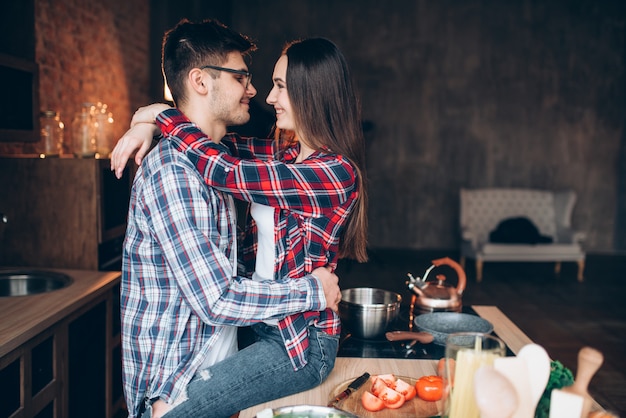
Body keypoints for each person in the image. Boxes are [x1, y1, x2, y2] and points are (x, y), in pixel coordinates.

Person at [118, 19, 344, 418]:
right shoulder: (177, 171)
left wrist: (155, 115)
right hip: (184, 370)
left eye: (277, 85)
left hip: (254, 343)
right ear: (201, 81)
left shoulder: (242, 160)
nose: (257, 92)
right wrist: (151, 116)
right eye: (242, 77)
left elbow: (223, 167)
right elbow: (216, 297)